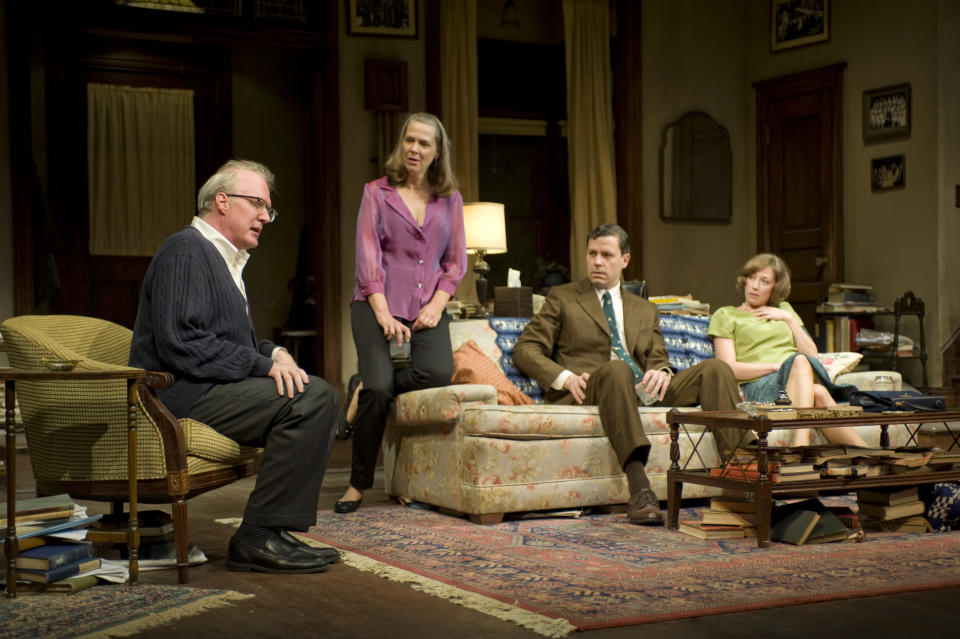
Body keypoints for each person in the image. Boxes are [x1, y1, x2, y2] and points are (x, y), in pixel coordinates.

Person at [129, 159, 341, 574]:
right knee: (312, 397)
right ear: (221, 202)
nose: (265, 215)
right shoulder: (187, 250)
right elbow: (182, 342)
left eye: (269, 209)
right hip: (179, 394)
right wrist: (260, 364)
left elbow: (228, 342)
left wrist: (272, 352)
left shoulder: (227, 261)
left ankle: (273, 532)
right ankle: (258, 537)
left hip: (208, 388)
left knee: (314, 393)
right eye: (257, 203)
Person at [513, 223, 741, 526]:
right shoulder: (563, 297)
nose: (597, 261)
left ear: (625, 260)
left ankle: (742, 474)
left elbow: (658, 357)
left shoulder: (644, 309)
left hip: (641, 389)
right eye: (592, 253)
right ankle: (639, 490)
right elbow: (525, 349)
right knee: (618, 370)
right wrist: (565, 377)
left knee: (716, 368)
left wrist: (661, 371)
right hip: (594, 385)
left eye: (606, 254)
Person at [334, 112, 467, 514]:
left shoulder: (450, 199)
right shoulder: (377, 192)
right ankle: (358, 484)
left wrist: (436, 306)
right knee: (379, 387)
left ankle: (366, 385)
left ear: (437, 151)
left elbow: (455, 262)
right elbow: (367, 257)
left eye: (424, 143)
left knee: (438, 374)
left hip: (427, 307)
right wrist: (384, 313)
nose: (415, 149)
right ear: (401, 143)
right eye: (410, 140)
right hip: (374, 304)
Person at [708, 253, 867, 447]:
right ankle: (801, 445)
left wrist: (787, 318)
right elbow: (729, 368)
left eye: (764, 281)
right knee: (806, 373)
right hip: (760, 386)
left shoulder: (784, 309)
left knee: (816, 390)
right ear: (745, 280)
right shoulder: (726, 315)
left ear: (775, 287)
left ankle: (870, 457)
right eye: (752, 278)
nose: (755, 286)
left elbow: (812, 356)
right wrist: (776, 367)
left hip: (798, 379)